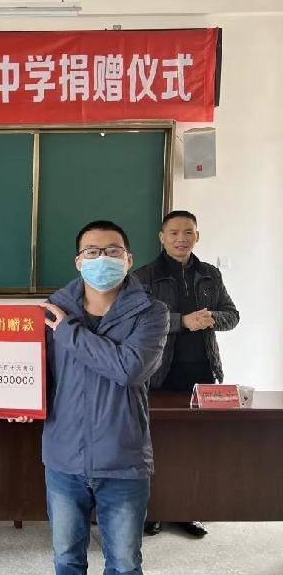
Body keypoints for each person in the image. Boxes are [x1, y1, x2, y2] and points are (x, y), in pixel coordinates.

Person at [40, 220, 168, 574]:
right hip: (64, 458)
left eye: (112, 251)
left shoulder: (152, 313)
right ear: (78, 261)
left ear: (129, 259)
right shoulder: (52, 312)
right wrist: (22, 403)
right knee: (66, 558)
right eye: (92, 252)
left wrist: (69, 333)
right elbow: (42, 377)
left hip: (123, 459)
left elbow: (129, 369)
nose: (102, 259)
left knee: (124, 564)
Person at [134, 210, 240, 538]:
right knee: (155, 445)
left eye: (188, 232)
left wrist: (211, 319)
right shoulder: (145, 276)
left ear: (197, 236)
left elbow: (232, 315)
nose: (181, 239)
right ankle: (152, 512)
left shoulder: (210, 274)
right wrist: (182, 321)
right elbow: (137, 320)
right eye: (174, 233)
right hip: (158, 374)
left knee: (195, 445)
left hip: (204, 373)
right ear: (162, 237)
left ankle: (187, 510)